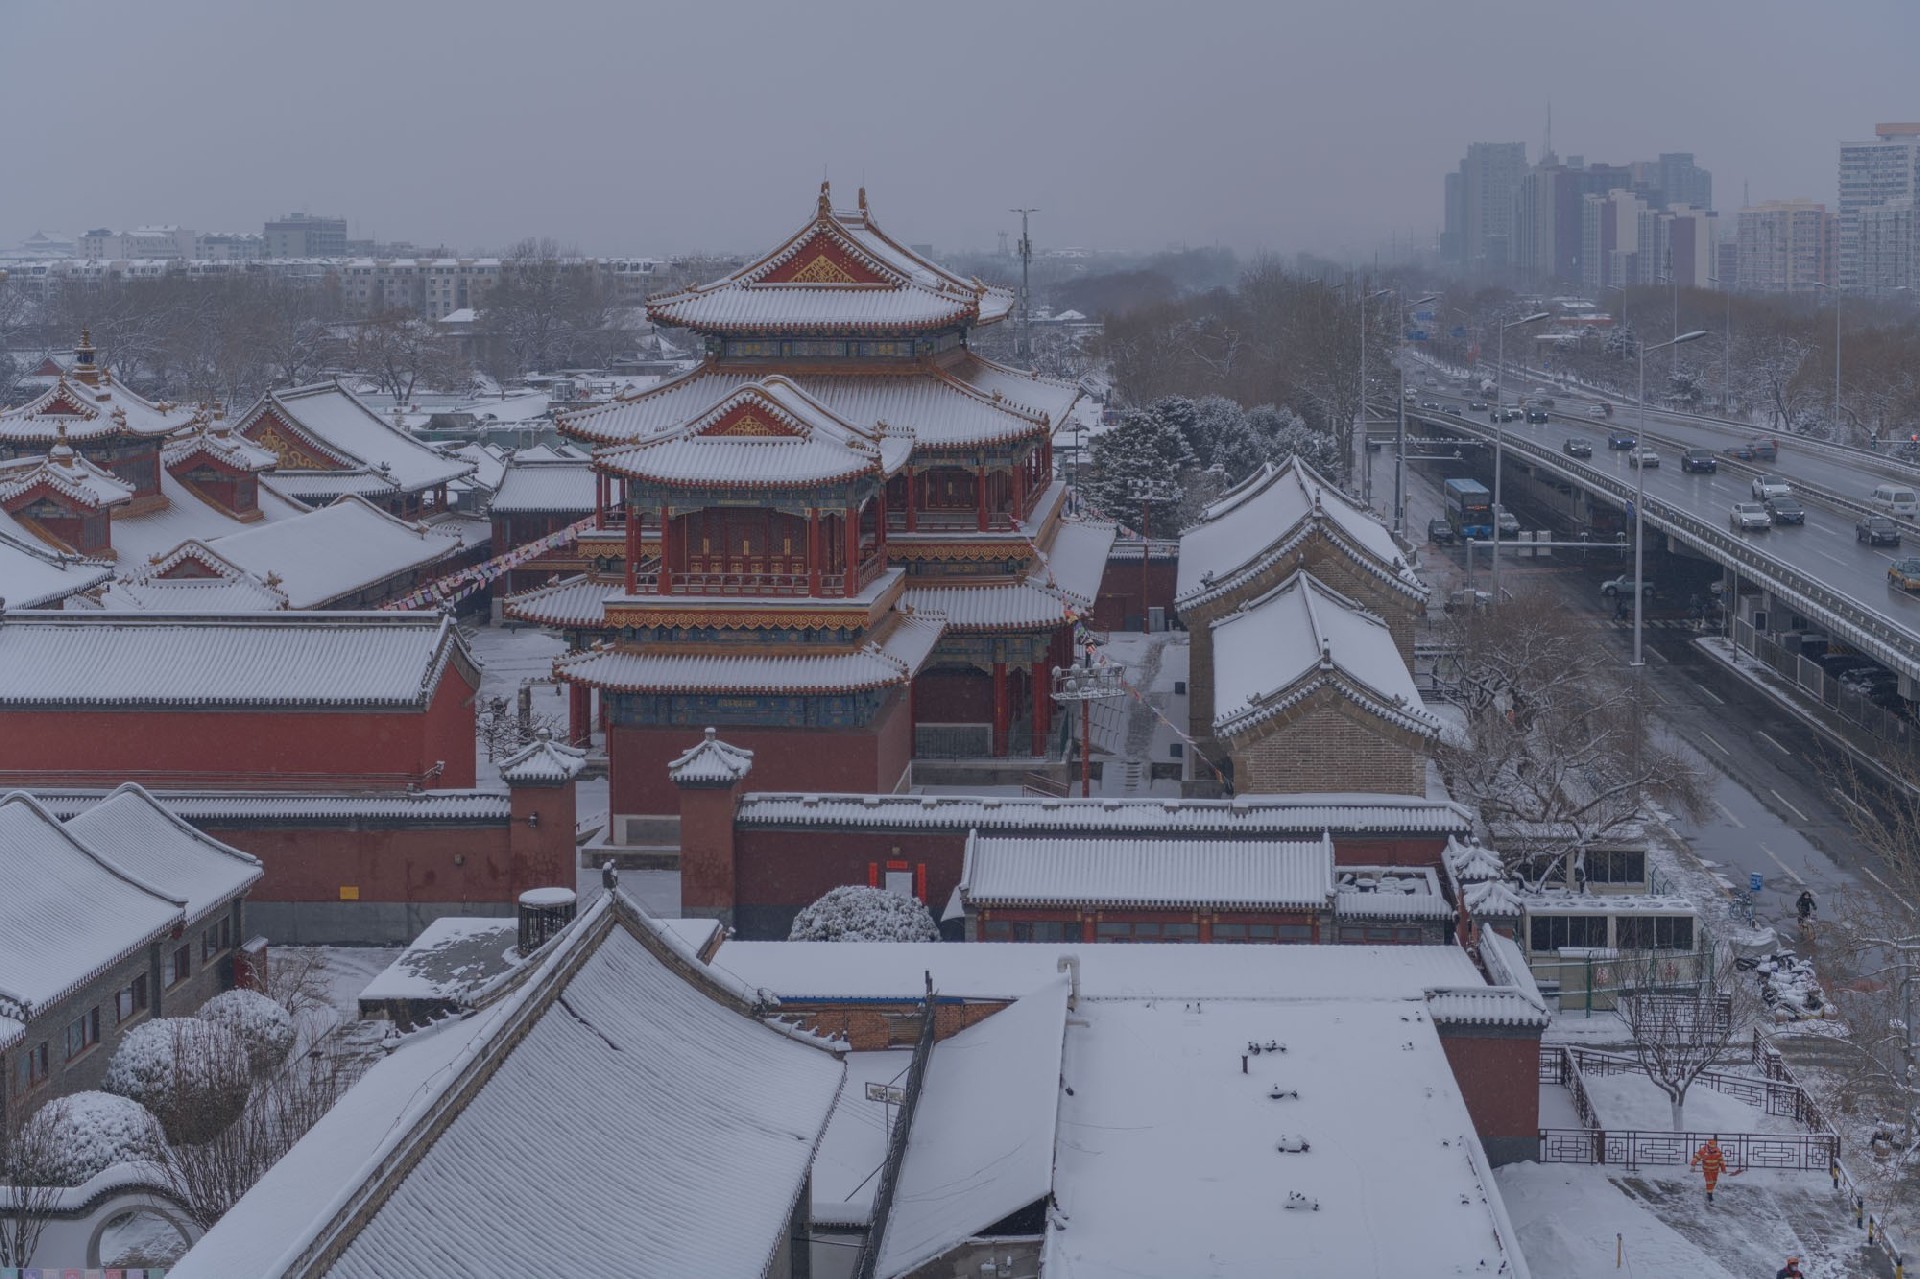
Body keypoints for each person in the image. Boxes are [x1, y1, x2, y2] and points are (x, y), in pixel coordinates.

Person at [1689, 1135, 1727, 1204]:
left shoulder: (1718, 1151)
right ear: (1708, 1146)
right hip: (1707, 1169)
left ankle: (1709, 1192)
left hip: (1715, 1169)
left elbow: (1721, 1161)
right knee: (1709, 1182)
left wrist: (1723, 1169)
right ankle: (1710, 1197)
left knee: (1714, 1182)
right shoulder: (1703, 1151)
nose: (1713, 1149)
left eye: (1714, 1147)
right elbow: (1696, 1158)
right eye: (1711, 1147)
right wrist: (1693, 1166)